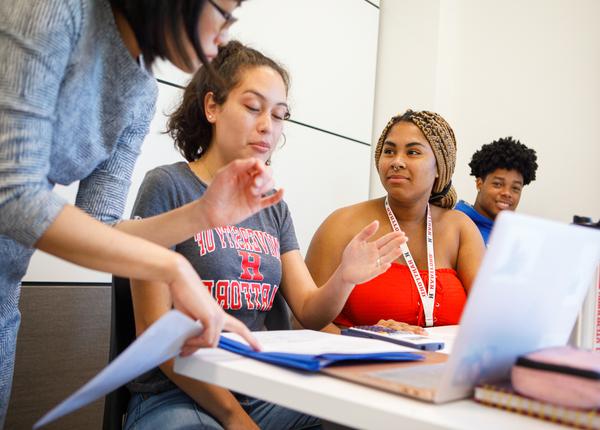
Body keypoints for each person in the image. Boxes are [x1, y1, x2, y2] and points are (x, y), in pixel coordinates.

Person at [0, 1, 275, 424]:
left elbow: (100, 229)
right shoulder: (56, 10)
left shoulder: (140, 88)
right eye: (225, 12)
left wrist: (202, 213)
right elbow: (12, 192)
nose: (224, 34)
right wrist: (171, 267)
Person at [124, 41, 406, 430]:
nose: (267, 126)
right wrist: (234, 417)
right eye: (253, 108)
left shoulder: (273, 206)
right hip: (177, 394)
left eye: (279, 115)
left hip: (258, 387)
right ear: (212, 107)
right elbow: (157, 335)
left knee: (360, 412)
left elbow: (308, 310)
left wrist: (344, 278)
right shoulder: (168, 186)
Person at [305, 110, 485, 334]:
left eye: (413, 152)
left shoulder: (460, 229)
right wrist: (362, 338)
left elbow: (488, 316)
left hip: (443, 365)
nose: (397, 161)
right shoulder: (342, 224)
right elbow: (305, 321)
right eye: (389, 151)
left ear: (440, 167)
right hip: (359, 364)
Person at [455, 137, 538, 245]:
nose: (507, 193)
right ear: (479, 184)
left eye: (515, 188)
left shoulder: (518, 239)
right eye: (498, 184)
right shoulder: (453, 222)